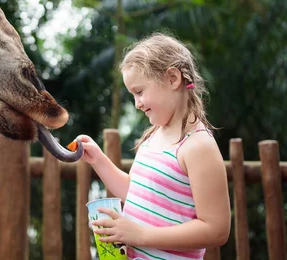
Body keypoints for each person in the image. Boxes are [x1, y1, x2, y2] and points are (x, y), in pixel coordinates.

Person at [76, 32, 230, 260]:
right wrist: (98, 160)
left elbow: (216, 230)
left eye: (139, 92)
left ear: (172, 79)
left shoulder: (198, 146)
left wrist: (140, 235)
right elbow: (137, 193)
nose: (137, 104)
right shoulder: (155, 136)